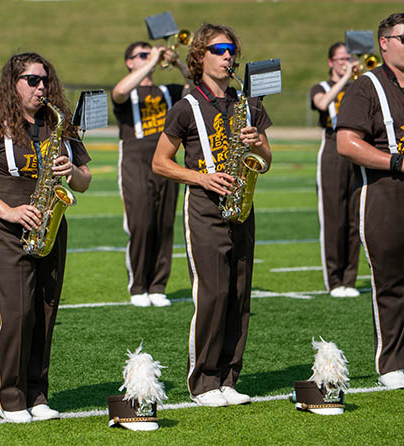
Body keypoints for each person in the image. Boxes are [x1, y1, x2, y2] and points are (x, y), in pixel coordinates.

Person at [0, 52, 91, 423]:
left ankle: (38, 394)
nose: (41, 87)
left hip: (50, 224)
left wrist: (72, 171)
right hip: (7, 227)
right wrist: (9, 212)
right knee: (17, 313)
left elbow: (85, 179)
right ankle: (12, 397)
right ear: (13, 83)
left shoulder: (59, 123)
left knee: (44, 314)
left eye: (45, 80)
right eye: (32, 80)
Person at [152, 23, 272, 407]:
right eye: (219, 50)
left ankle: (229, 377)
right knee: (213, 293)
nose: (227, 57)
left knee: (239, 294)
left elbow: (266, 160)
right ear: (199, 56)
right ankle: (203, 381)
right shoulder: (186, 106)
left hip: (242, 205)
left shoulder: (249, 103)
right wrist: (201, 177)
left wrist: (259, 146)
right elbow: (160, 162)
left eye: (231, 50)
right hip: (204, 208)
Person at [337, 12, 404, 390]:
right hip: (387, 190)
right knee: (392, 282)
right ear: (384, 43)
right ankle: (391, 361)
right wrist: (399, 160)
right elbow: (346, 143)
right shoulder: (367, 86)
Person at [111, 41, 190, 307]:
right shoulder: (128, 91)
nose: (149, 58)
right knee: (141, 223)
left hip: (166, 159)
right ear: (129, 62)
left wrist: (177, 62)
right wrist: (151, 61)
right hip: (135, 159)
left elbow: (196, 84)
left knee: (164, 224)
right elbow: (120, 91)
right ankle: (138, 286)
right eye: (142, 55)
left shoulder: (169, 90)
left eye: (150, 53)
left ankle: (158, 285)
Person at [310, 42, 361, 298]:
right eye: (341, 59)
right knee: (333, 218)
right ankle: (334, 280)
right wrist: (345, 79)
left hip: (357, 151)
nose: (345, 62)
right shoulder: (322, 87)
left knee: (354, 218)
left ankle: (350, 280)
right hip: (331, 149)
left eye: (348, 58)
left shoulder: (357, 87)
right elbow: (322, 104)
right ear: (331, 62)